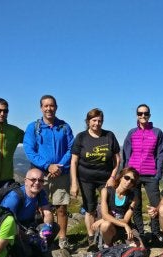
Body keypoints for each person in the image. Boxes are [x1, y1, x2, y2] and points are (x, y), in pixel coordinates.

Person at [23, 95, 74, 249]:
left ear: (56, 107)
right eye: (45, 106)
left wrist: (58, 166)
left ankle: (63, 238)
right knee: (37, 207)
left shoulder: (64, 127)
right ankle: (41, 237)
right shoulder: (34, 127)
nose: (48, 108)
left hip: (60, 173)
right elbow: (29, 150)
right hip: (39, 175)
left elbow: (72, 148)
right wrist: (47, 166)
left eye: (51, 105)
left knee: (61, 207)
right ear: (41, 108)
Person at [70, 108, 121, 249]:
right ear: (88, 121)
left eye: (99, 121)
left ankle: (108, 234)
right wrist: (74, 183)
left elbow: (117, 159)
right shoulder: (81, 137)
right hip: (85, 178)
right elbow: (74, 161)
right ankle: (91, 237)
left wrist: (113, 176)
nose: (97, 123)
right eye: (94, 120)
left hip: (106, 178)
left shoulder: (109, 136)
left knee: (109, 206)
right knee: (90, 208)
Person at [122, 104, 163, 243]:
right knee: (136, 205)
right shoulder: (132, 133)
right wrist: (126, 172)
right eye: (140, 114)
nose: (143, 116)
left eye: (145, 113)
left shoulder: (157, 132)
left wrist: (158, 173)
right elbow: (126, 154)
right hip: (134, 175)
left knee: (155, 204)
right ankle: (140, 233)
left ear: (149, 115)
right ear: (136, 115)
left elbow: (160, 154)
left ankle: (155, 232)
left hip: (151, 174)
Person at [0, 168, 58, 246]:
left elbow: (47, 212)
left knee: (54, 227)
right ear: (25, 181)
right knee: (20, 244)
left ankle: (40, 248)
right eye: (33, 179)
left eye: (41, 180)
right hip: (14, 228)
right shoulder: (14, 197)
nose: (37, 183)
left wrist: (47, 226)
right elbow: (6, 223)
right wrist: (28, 238)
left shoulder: (40, 193)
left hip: (28, 225)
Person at [91, 167, 140, 248]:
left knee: (139, 249)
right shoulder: (106, 191)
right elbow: (105, 214)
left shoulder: (133, 197)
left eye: (132, 181)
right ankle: (108, 245)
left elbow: (125, 220)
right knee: (105, 224)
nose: (128, 182)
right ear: (120, 177)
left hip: (123, 228)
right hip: (111, 228)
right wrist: (124, 225)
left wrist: (104, 219)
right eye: (127, 178)